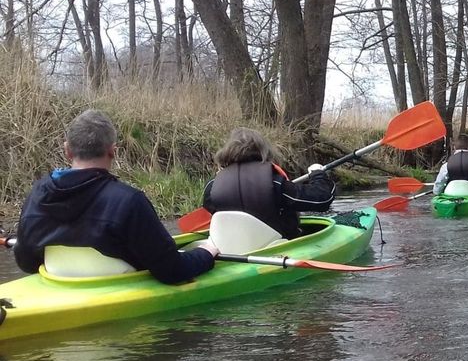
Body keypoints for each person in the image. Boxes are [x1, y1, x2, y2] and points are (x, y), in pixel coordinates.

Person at [14, 109, 219, 284]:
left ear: (67, 150)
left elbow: (26, 261)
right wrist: (207, 252)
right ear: (113, 151)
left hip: (58, 284)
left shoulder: (37, 194)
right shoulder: (130, 201)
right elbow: (173, 271)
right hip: (117, 288)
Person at [202, 128, 335, 239]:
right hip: (274, 245)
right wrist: (318, 174)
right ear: (262, 150)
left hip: (231, 247)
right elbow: (323, 199)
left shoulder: (212, 186)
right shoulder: (274, 184)